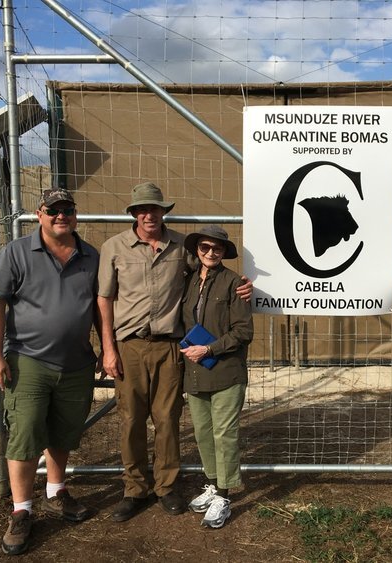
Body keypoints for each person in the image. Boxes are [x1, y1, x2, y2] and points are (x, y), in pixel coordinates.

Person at [97, 182, 252, 522]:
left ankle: (167, 486)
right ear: (134, 213)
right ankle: (134, 489)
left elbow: (211, 275)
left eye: (154, 209)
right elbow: (104, 299)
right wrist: (108, 349)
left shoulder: (183, 246)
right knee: (131, 419)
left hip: (170, 346)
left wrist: (243, 283)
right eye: (141, 209)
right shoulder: (114, 247)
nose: (148, 214)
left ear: (163, 212)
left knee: (167, 419)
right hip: (129, 346)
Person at [0, 188, 100, 556]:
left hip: (77, 361)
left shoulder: (90, 255)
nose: (61, 216)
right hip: (27, 359)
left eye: (67, 210)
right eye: (53, 210)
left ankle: (56, 491)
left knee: (64, 431)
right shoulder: (16, 253)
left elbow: (100, 306)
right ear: (39, 213)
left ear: (75, 215)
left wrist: (107, 349)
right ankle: (21, 510)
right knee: (27, 430)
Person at [180, 225, 253, 529]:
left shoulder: (234, 283)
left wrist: (209, 348)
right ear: (197, 249)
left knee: (224, 435)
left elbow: (244, 331)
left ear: (224, 253)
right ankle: (212, 484)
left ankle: (224, 494)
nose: (211, 253)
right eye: (205, 247)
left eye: (217, 249)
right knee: (203, 433)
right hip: (196, 372)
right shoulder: (186, 281)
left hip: (225, 371)